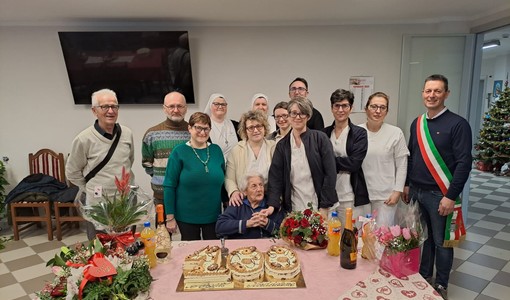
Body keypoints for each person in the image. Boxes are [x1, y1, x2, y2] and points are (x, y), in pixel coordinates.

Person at [403, 74, 472, 299]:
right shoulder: (417, 123)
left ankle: (441, 284)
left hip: (439, 194)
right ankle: (424, 277)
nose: (431, 95)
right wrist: (406, 185)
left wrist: (451, 196)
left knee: (442, 243)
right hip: (416, 191)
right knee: (423, 238)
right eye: (428, 91)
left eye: (437, 91)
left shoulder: (458, 124)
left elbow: (464, 163)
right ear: (423, 93)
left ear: (446, 94)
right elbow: (411, 157)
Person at [66, 88, 135, 240]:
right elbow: (72, 172)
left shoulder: (127, 133)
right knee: (100, 247)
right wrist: (90, 188)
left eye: (114, 106)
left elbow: (129, 160)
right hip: (98, 204)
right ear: (94, 111)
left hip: (125, 201)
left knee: (126, 245)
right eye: (105, 107)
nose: (111, 111)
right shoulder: (84, 139)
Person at [264, 97, 338, 219]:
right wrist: (272, 205)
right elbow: (275, 177)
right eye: (293, 113)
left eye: (302, 113)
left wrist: (324, 207)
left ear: (308, 116)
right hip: (294, 206)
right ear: (288, 115)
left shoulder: (320, 139)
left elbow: (330, 174)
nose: (297, 117)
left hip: (322, 205)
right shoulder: (282, 146)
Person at [163, 112, 225, 240]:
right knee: (191, 255)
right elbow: (169, 186)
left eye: (206, 128)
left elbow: (223, 182)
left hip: (214, 216)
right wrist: (170, 217)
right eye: (198, 128)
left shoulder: (216, 150)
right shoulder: (179, 152)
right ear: (189, 128)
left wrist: (228, 207)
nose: (202, 132)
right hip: (187, 217)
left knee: (214, 253)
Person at [359, 92, 409, 226]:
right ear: (366, 109)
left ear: (387, 111)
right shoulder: (356, 131)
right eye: (374, 106)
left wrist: (397, 191)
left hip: (385, 196)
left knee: (383, 238)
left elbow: (402, 165)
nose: (378, 111)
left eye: (382, 107)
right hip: (360, 195)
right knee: (360, 237)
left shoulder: (395, 133)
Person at [323, 89, 369, 227]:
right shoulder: (323, 134)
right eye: (337, 106)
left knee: (348, 238)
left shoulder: (359, 134)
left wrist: (329, 162)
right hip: (328, 196)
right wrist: (342, 162)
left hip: (348, 196)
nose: (341, 110)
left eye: (345, 106)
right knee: (326, 238)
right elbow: (319, 164)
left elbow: (354, 163)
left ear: (351, 108)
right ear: (332, 108)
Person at [142, 91, 190, 208]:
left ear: (186, 108)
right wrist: (162, 178)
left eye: (179, 106)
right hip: (161, 197)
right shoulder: (152, 134)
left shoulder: (194, 133)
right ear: (164, 109)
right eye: (171, 106)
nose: (176, 110)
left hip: (189, 195)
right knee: (163, 226)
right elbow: (147, 163)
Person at [225, 110, 276, 206]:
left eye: (259, 126)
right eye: (251, 127)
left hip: (269, 200)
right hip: (244, 200)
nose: (256, 130)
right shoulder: (236, 150)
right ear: (245, 130)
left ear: (264, 128)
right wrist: (234, 191)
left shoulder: (273, 147)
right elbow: (229, 178)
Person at [216, 172, 283, 239]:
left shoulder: (271, 205)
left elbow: (283, 232)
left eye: (261, 185)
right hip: (241, 247)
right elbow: (220, 226)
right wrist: (247, 223)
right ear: (245, 191)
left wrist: (267, 223)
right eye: (254, 186)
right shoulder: (237, 203)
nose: (259, 189)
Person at [204, 93, 240, 161]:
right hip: (214, 166)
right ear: (210, 106)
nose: (220, 107)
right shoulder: (204, 127)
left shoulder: (236, 125)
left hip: (235, 165)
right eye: (216, 104)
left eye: (223, 104)